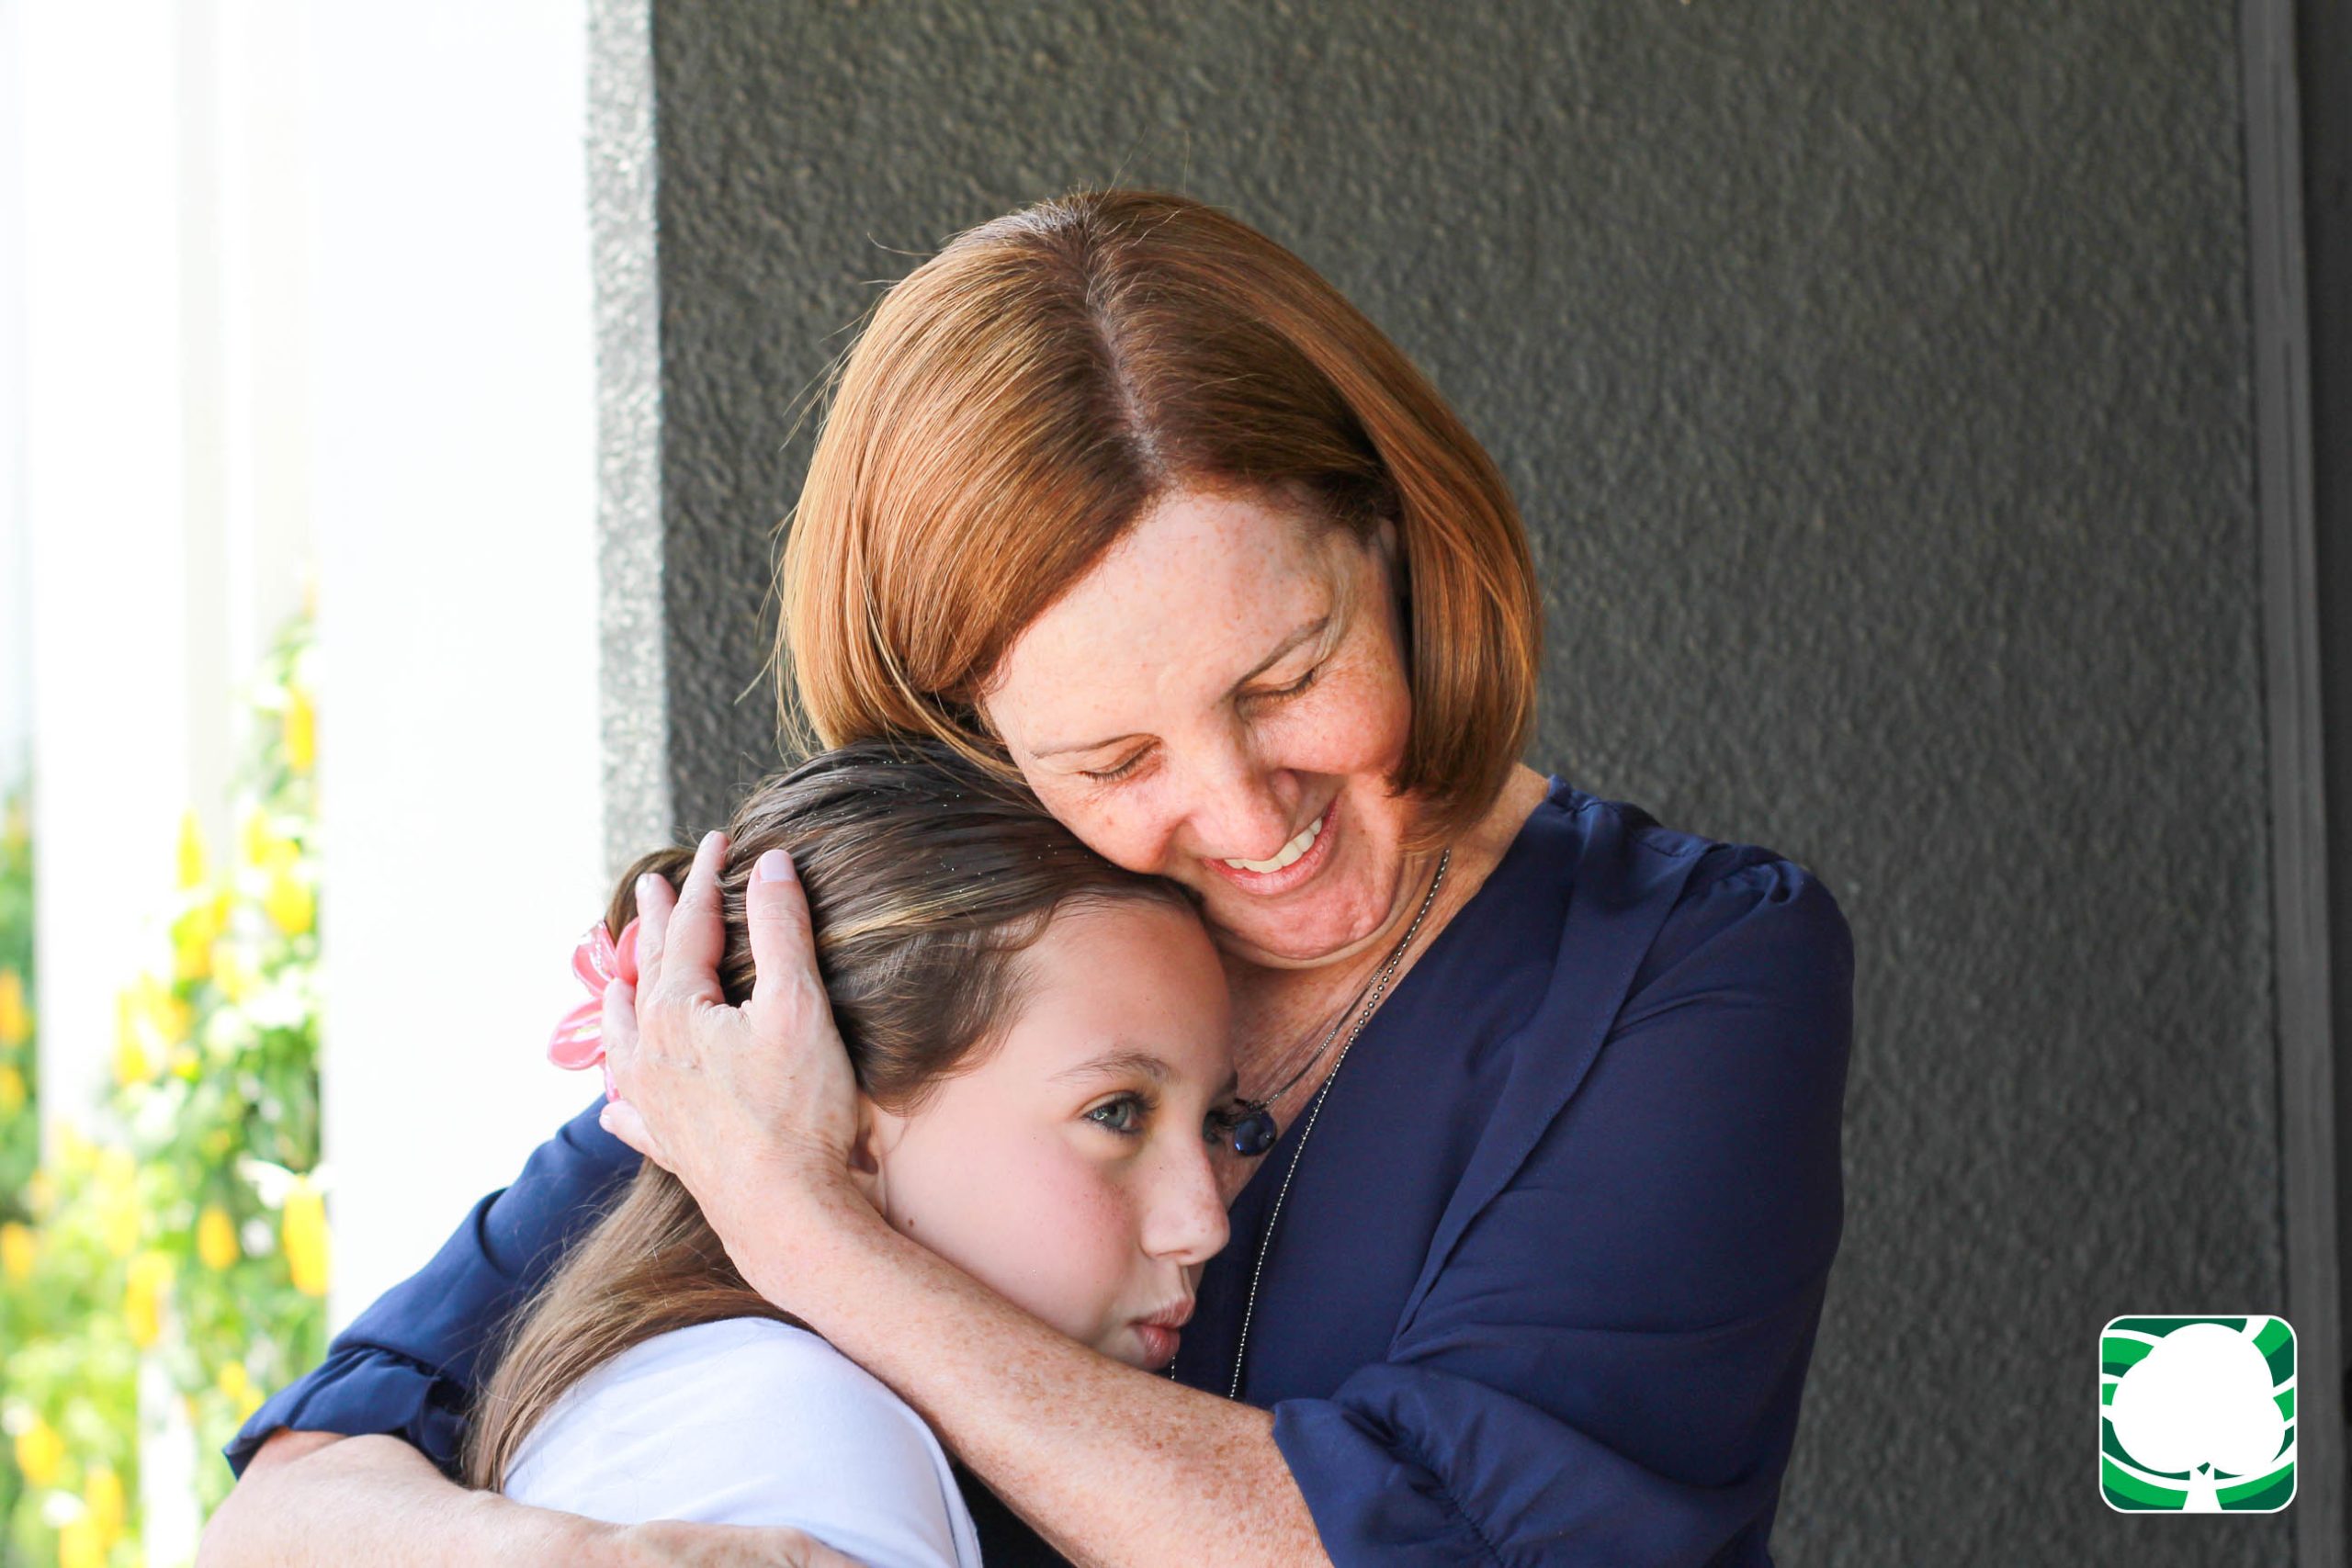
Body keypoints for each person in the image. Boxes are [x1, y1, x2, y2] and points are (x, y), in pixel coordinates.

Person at [202, 187, 1853, 1567]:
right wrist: (596, 1556)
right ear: (973, 732)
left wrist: (819, 1237)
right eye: (1116, 759)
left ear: (1402, 543)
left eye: (1288, 676)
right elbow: (294, 1503)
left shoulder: (1689, 971)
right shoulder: (918, 970)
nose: (1241, 809)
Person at [462, 740, 1241, 1567]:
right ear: (830, 1121)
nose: (1205, 1223)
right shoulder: (791, 1439)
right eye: (1116, 1112)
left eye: (1223, 1122)